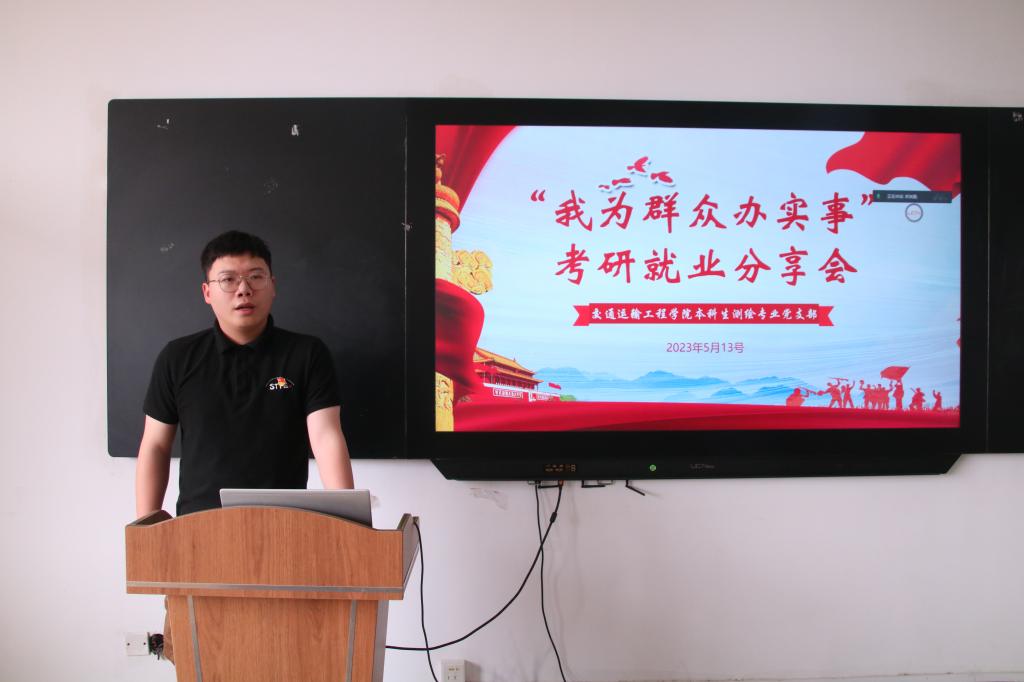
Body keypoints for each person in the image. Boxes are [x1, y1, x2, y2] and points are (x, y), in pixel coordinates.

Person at [135, 230, 354, 519]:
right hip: (196, 527)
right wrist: (145, 529)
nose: (244, 290)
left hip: (286, 524)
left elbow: (326, 436)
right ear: (207, 292)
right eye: (228, 280)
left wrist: (349, 523)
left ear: (273, 285)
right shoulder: (177, 357)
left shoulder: (307, 354)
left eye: (255, 277)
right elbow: (156, 445)